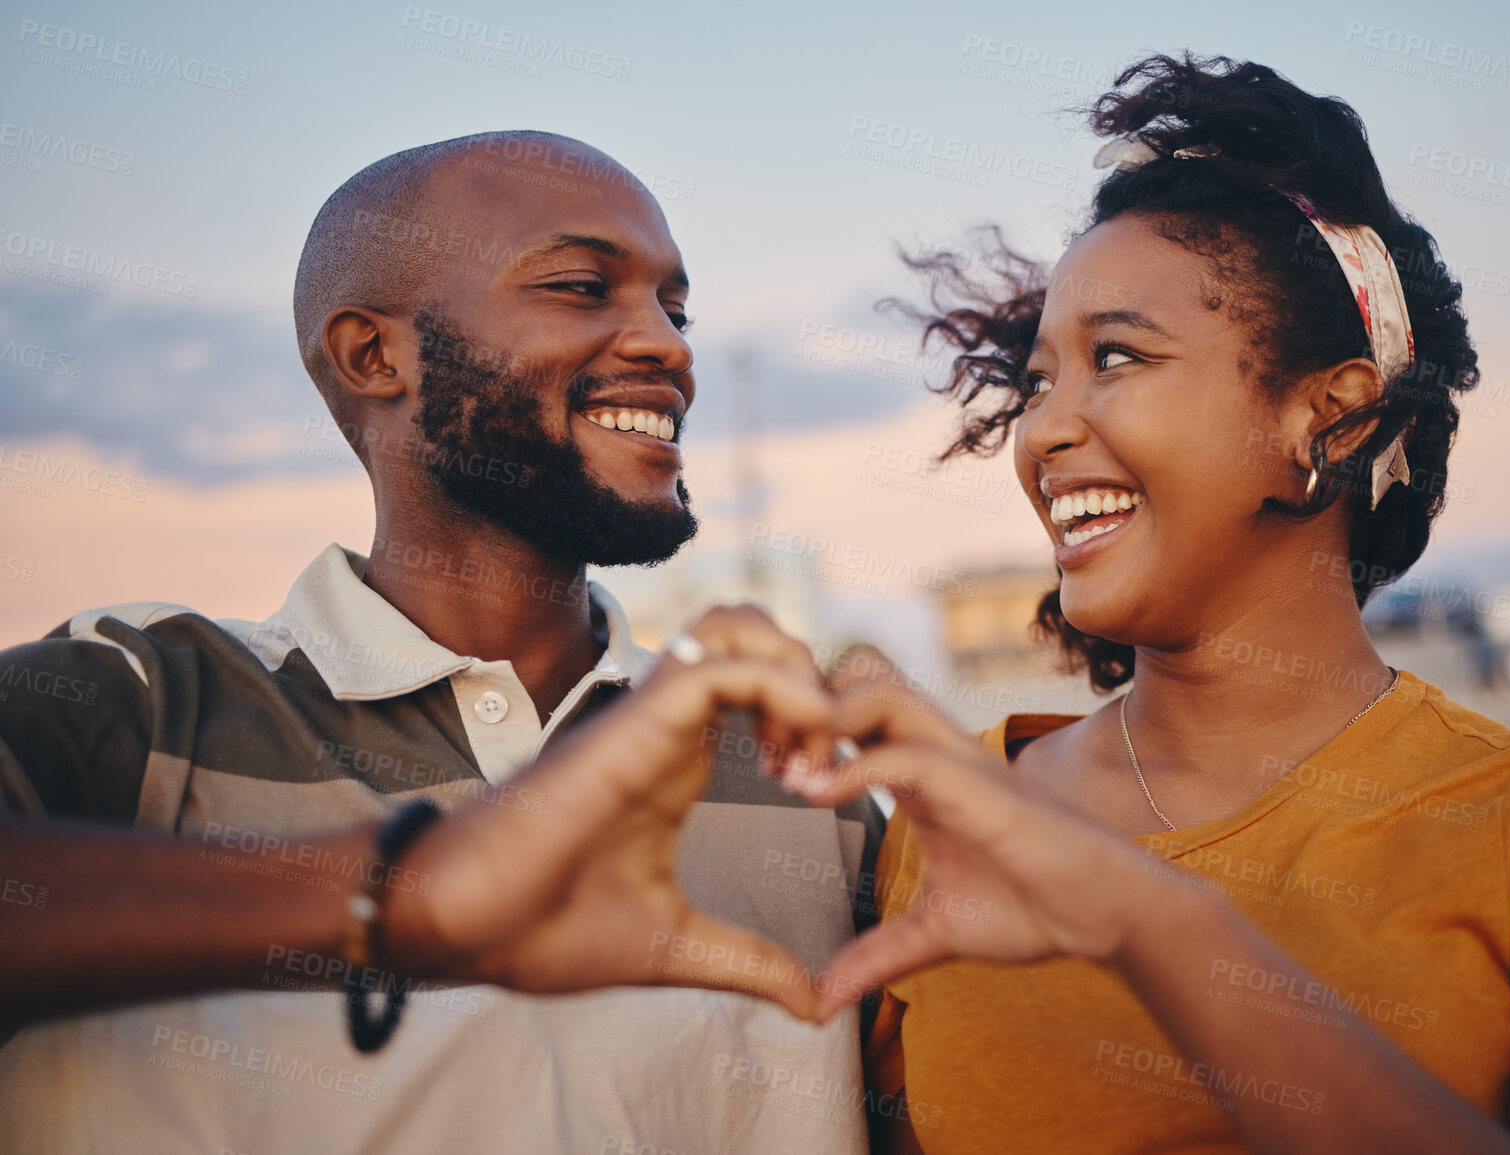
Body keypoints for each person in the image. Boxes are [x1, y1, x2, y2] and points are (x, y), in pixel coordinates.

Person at [838, 55, 1510, 1154]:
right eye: (1036, 381)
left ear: (1335, 421)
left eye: (1116, 356)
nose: (1044, 432)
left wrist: (1152, 921)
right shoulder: (950, 822)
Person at [0, 131, 882, 1155]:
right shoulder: (143, 697)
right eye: (583, 287)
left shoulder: (799, 774)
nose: (669, 345)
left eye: (673, 308)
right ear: (376, 355)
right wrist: (399, 898)